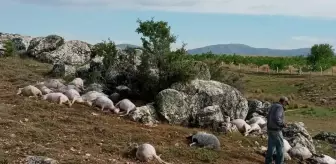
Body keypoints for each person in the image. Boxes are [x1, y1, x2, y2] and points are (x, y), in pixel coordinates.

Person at [265, 96, 289, 164]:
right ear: (283, 101)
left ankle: (268, 162)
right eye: (286, 103)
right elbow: (277, 118)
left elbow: (269, 116)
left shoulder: (273, 106)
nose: (285, 105)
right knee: (280, 147)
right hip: (276, 130)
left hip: (270, 129)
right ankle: (279, 162)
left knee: (271, 147)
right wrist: (283, 124)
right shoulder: (280, 107)